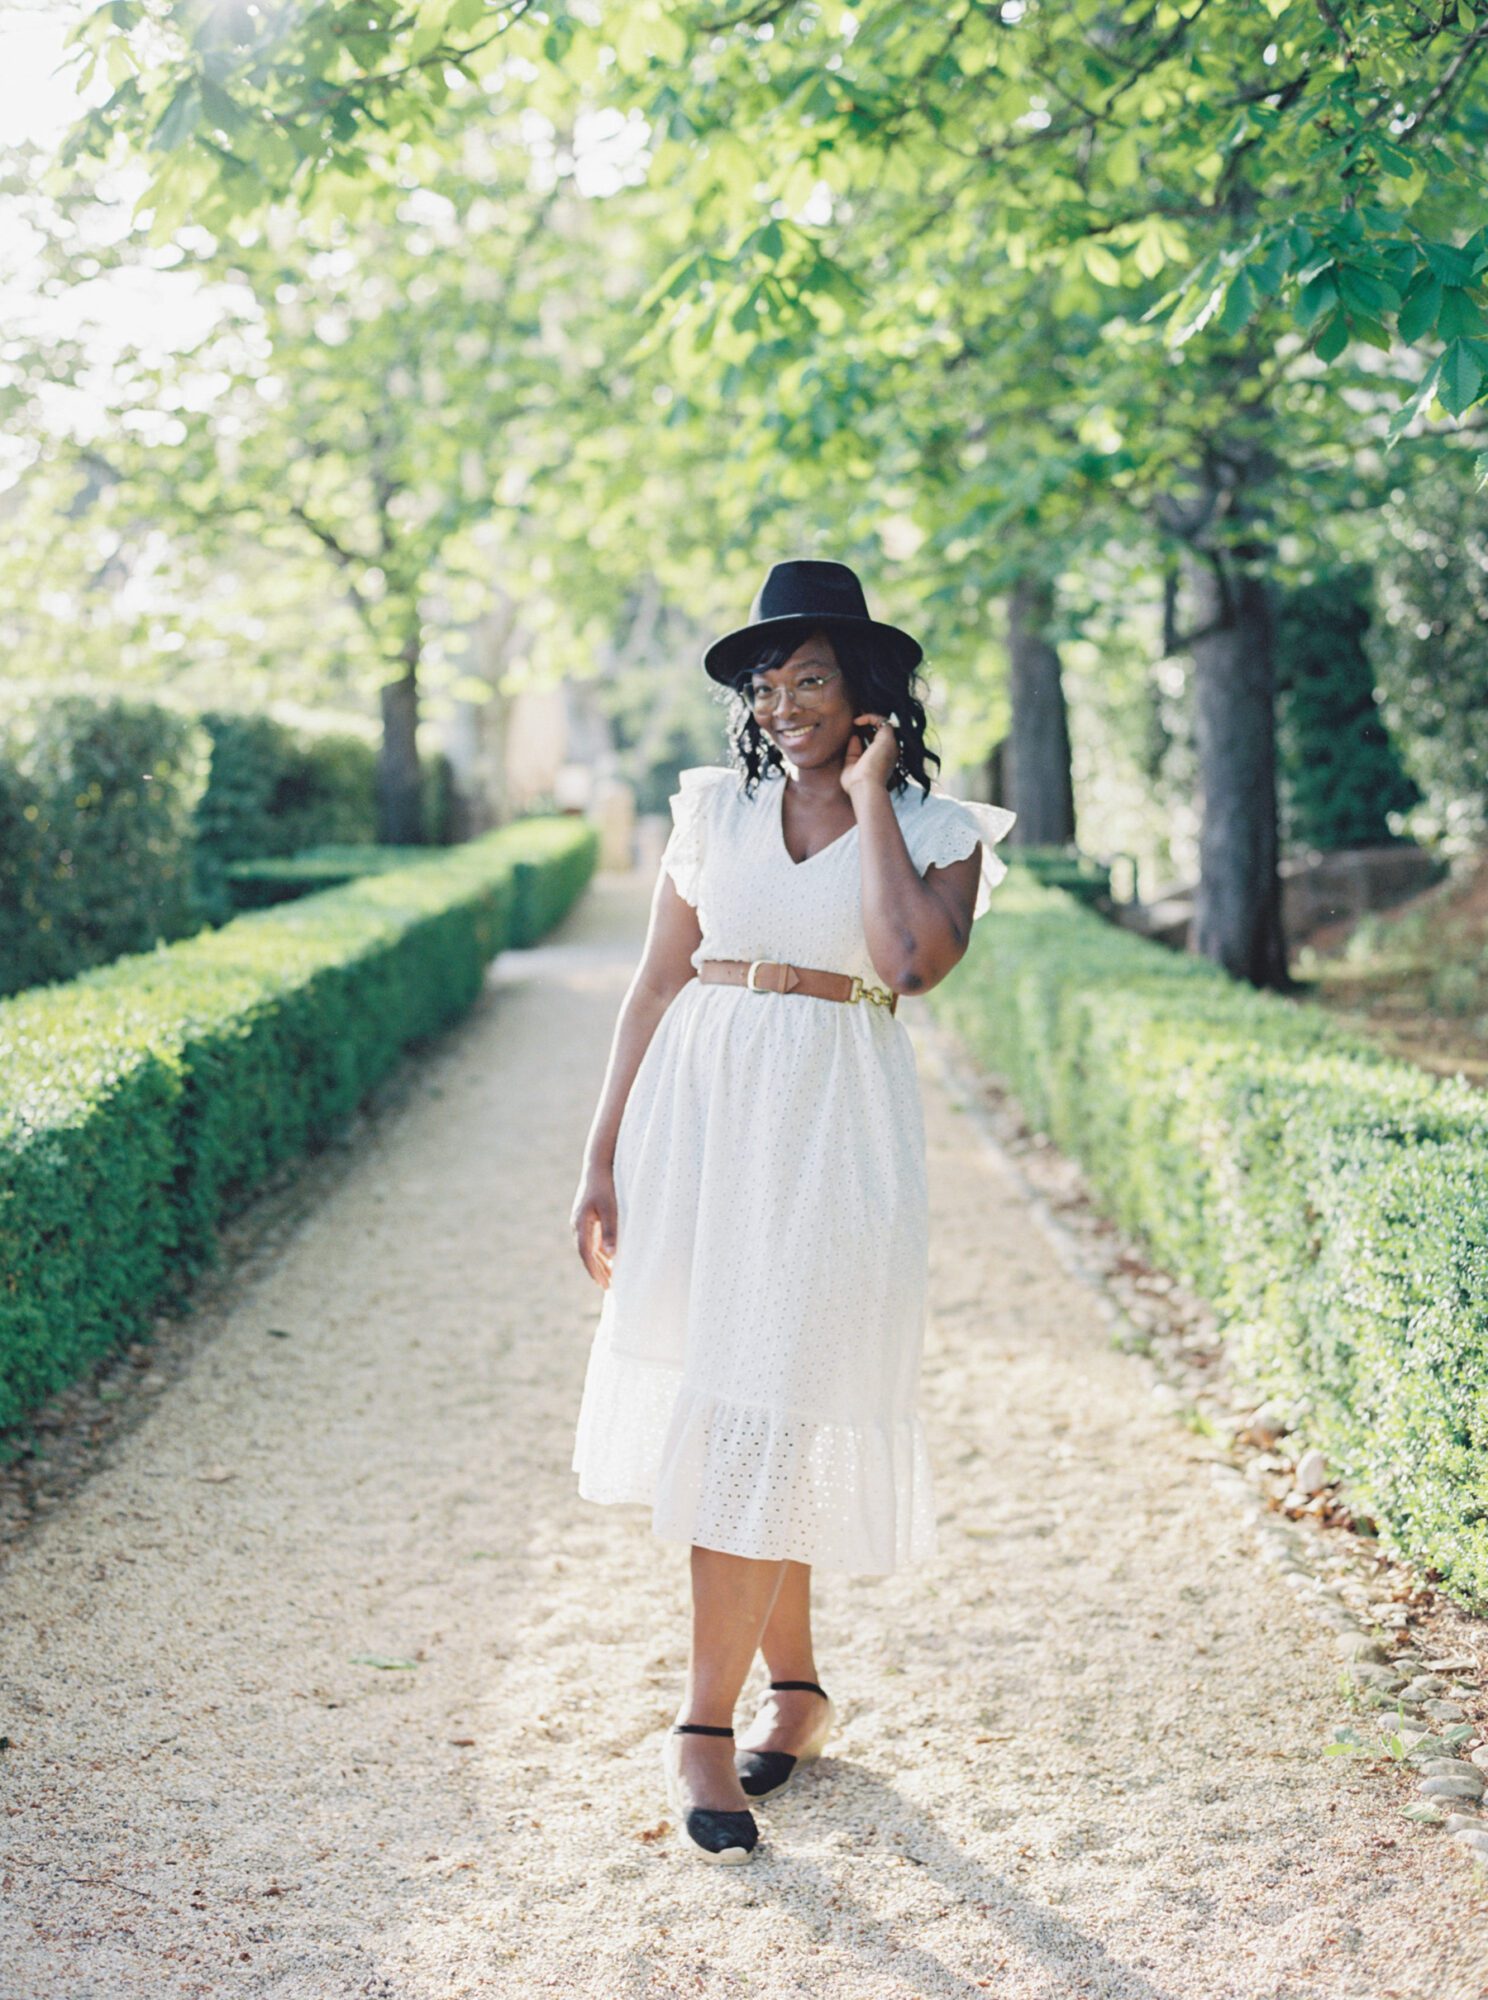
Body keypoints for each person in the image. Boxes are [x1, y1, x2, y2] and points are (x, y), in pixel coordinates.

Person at [568, 558, 1016, 1865]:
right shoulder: (710, 806)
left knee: (774, 1404)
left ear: (867, 688)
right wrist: (600, 1157)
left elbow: (907, 964)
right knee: (748, 1402)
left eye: (808, 678)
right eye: (768, 686)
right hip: (701, 1126)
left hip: (834, 1134)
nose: (781, 705)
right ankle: (799, 1696)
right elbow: (652, 987)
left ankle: (702, 1727)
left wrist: (874, 796)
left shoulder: (940, 832)